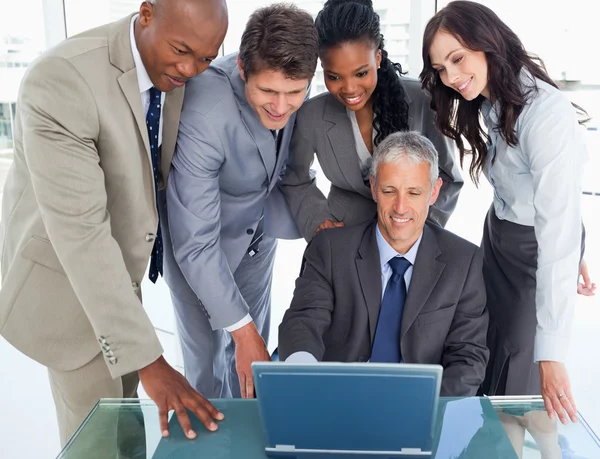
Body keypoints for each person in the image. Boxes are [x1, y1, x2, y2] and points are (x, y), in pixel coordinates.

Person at [0, 0, 228, 446]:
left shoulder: (181, 68)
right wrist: (152, 361)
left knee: (128, 433)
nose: (192, 69)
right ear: (146, 13)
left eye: (207, 57)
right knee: (96, 443)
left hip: (121, 281)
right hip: (66, 287)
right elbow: (82, 236)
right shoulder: (63, 81)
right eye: (182, 50)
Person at [421, 0, 589, 423]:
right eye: (441, 68)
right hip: (498, 239)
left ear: (487, 42)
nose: (452, 77)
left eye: (457, 59)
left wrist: (551, 356)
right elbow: (536, 192)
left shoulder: (545, 113)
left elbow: (557, 222)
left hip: (534, 253)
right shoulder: (495, 96)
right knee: (488, 351)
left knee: (522, 373)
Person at [160, 4, 318, 400]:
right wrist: (241, 331)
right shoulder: (204, 111)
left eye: (294, 93)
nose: (281, 107)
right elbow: (195, 243)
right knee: (207, 367)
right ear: (244, 69)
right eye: (267, 92)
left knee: (251, 359)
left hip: (258, 237)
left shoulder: (296, 81)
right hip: (199, 245)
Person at [278, 131, 489, 397]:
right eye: (389, 191)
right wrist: (305, 378)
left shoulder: (464, 261)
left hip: (421, 405)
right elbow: (303, 321)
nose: (400, 208)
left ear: (434, 192)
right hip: (339, 399)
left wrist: (430, 410)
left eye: (414, 192)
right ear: (374, 187)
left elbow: (468, 356)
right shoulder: (330, 249)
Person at [279, 0, 463, 242]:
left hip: (411, 236)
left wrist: (419, 231)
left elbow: (448, 177)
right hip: (342, 234)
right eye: (334, 76)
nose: (349, 88)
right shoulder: (311, 114)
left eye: (361, 73)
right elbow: (294, 176)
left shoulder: (422, 100)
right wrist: (317, 221)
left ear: (377, 58)